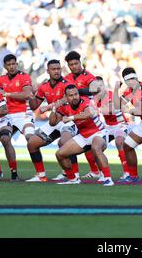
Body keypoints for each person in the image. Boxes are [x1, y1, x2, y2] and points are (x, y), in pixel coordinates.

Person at [50, 85, 113, 186]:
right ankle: (72, 179)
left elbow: (88, 114)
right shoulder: (64, 106)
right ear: (66, 97)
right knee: (60, 154)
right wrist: (54, 109)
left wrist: (71, 118)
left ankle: (108, 178)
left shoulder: (85, 101)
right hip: (83, 136)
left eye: (76, 94)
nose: (74, 97)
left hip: (98, 132)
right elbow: (52, 123)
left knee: (95, 148)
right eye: (71, 95)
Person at [25, 59, 77, 182]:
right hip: (54, 121)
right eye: (53, 69)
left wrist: (49, 107)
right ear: (47, 71)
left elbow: (67, 101)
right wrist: (31, 94)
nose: (57, 71)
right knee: (32, 143)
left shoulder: (67, 84)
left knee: (65, 142)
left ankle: (73, 174)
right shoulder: (44, 87)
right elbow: (34, 106)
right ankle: (41, 175)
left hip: (68, 120)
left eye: (58, 69)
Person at [0, 54, 35, 174]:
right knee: (2, 139)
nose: (12, 67)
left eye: (13, 64)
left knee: (31, 140)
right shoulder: (1, 79)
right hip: (7, 116)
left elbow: (27, 94)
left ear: (16, 64)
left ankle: (40, 173)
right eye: (9, 64)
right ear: (5, 66)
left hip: (23, 114)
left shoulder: (24, 77)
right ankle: (11, 172)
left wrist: (7, 94)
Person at [63, 51, 100, 179]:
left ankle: (96, 171)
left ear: (81, 62)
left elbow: (95, 89)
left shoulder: (88, 76)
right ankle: (78, 172)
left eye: (76, 63)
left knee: (90, 143)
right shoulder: (67, 78)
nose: (74, 66)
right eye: (71, 64)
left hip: (89, 113)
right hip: (73, 113)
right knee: (72, 142)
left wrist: (75, 91)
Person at [91, 76, 130, 180]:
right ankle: (102, 174)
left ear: (104, 85)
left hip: (120, 125)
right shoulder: (96, 100)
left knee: (119, 142)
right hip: (107, 127)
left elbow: (130, 107)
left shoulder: (113, 95)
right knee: (95, 145)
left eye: (100, 86)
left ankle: (127, 172)